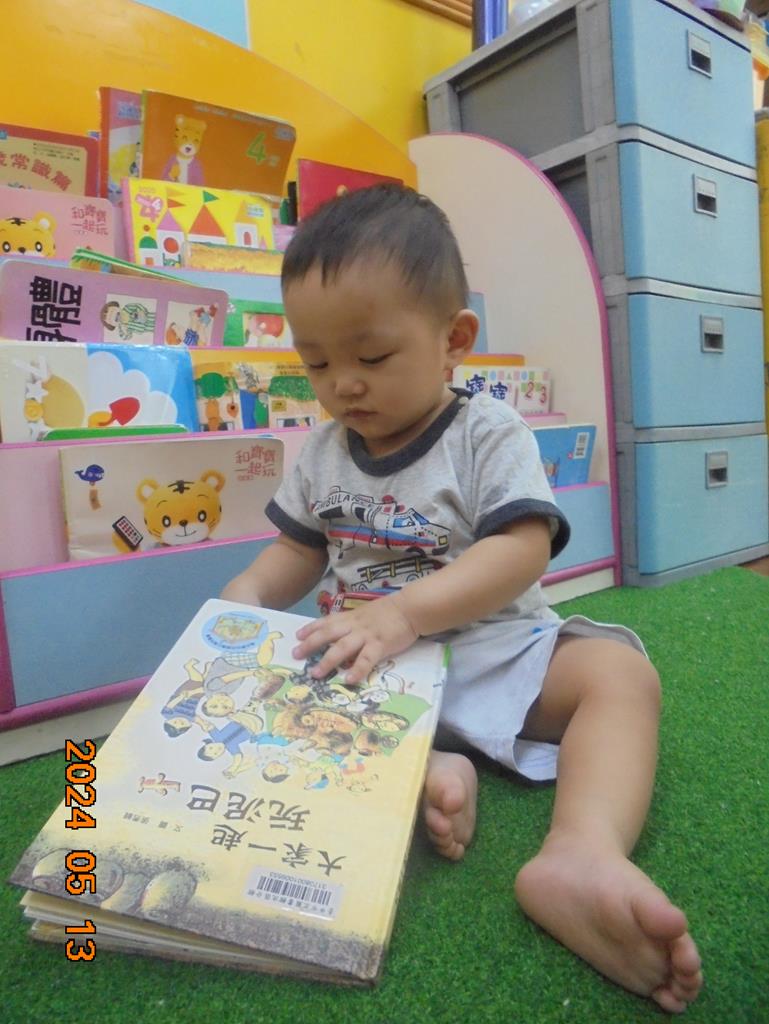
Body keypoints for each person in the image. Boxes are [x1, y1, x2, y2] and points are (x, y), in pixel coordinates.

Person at [221, 184, 702, 1012]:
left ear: (453, 341)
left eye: (372, 358)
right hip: (368, 668)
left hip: (492, 650)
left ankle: (581, 851)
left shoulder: (487, 433)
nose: (343, 385)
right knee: (270, 705)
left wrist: (404, 612)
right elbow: (297, 551)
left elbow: (519, 550)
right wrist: (247, 596)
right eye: (316, 364)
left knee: (619, 676)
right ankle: (422, 762)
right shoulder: (323, 451)